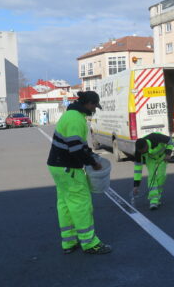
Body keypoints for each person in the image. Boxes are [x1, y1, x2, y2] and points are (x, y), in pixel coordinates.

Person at [46, 91, 112, 255]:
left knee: (65, 203)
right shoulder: (76, 119)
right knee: (81, 204)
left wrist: (90, 154)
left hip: (57, 166)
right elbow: (75, 148)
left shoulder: (70, 115)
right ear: (88, 103)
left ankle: (69, 241)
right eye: (94, 106)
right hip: (69, 168)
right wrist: (93, 163)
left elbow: (78, 145)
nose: (94, 110)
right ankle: (90, 243)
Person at [132, 132, 174, 210]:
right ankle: (153, 201)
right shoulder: (138, 152)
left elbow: (170, 141)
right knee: (152, 176)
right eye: (140, 152)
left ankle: (157, 197)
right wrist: (136, 185)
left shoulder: (155, 138)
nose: (142, 153)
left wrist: (168, 153)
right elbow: (138, 169)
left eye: (143, 151)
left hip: (162, 157)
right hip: (151, 159)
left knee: (162, 176)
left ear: (146, 146)